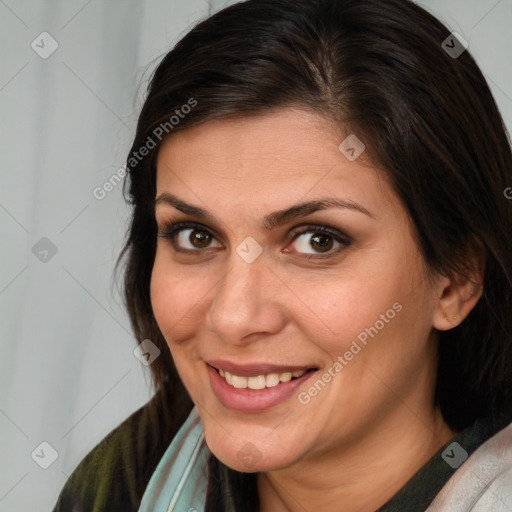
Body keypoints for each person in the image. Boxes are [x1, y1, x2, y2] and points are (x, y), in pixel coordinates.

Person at [51, 0, 512, 510]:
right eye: (195, 236)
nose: (232, 317)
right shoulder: (115, 489)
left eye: (318, 241)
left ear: (456, 279)